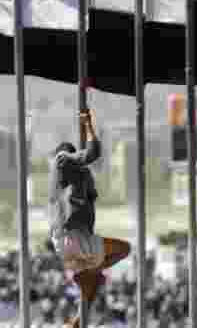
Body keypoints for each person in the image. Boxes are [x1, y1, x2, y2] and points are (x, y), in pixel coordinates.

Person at [48, 109, 131, 328]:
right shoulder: (62, 159)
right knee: (124, 249)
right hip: (72, 238)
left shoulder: (74, 179)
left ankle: (73, 325)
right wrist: (89, 125)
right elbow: (93, 152)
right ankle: (95, 269)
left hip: (69, 242)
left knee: (91, 291)